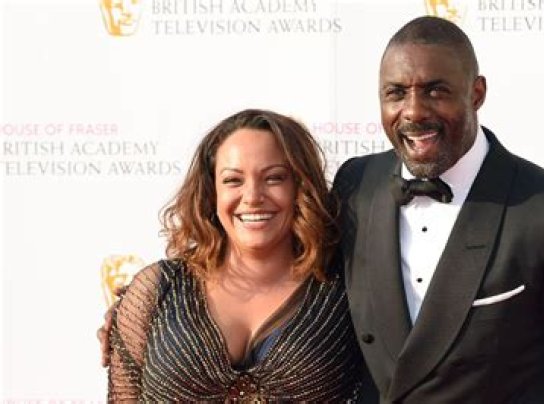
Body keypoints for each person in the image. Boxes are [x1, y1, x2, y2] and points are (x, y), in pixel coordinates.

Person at [332, 16, 544, 403]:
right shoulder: (355, 187)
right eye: (396, 93)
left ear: (476, 93)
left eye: (435, 91)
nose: (413, 111)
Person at [105, 109, 363, 401]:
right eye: (233, 180)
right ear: (211, 191)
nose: (252, 196)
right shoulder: (158, 289)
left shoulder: (346, 293)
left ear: (300, 187)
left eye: (274, 178)